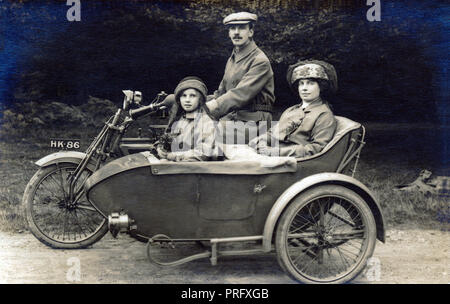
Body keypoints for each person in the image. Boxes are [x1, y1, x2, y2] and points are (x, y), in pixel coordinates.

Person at [250, 60, 337, 158]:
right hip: (271, 155)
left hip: (294, 163)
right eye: (301, 83)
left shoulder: (324, 114)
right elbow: (273, 133)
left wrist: (276, 152)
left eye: (310, 83)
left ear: (321, 87)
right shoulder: (291, 110)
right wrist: (261, 140)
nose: (304, 88)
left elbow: (316, 148)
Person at [205, 12, 275, 126]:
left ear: (251, 32)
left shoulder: (259, 60)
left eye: (242, 28)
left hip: (255, 120)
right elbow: (221, 93)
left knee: (204, 135)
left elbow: (240, 95)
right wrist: (197, 100)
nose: (236, 32)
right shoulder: (232, 59)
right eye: (232, 28)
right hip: (233, 117)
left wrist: (209, 107)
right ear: (229, 33)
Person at [156, 77, 220, 162]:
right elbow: (166, 138)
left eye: (192, 96)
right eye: (184, 96)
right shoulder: (179, 120)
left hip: (193, 170)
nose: (187, 100)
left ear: (200, 99)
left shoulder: (206, 122)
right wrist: (160, 149)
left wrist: (175, 156)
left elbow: (203, 152)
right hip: (176, 165)